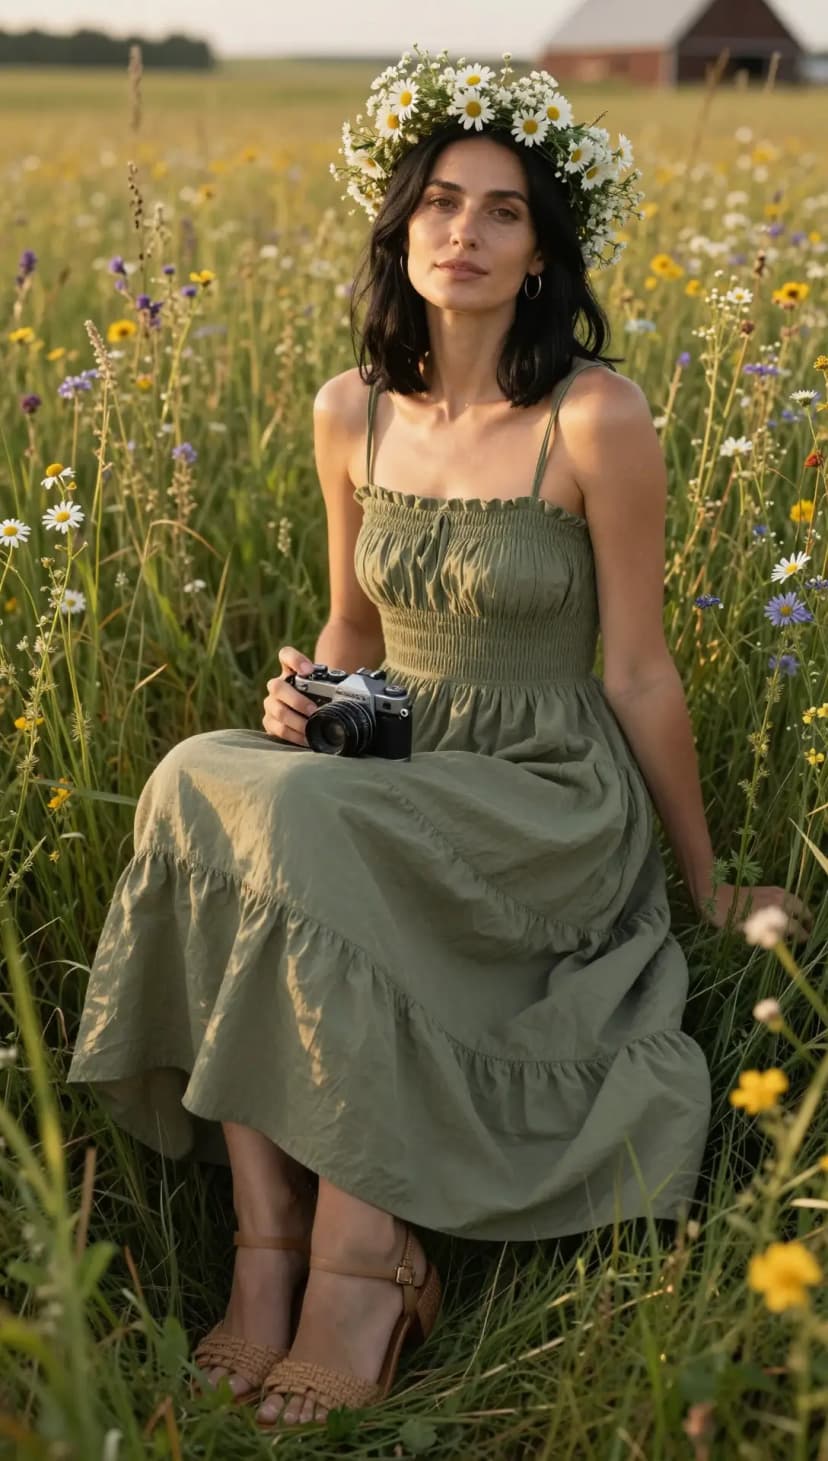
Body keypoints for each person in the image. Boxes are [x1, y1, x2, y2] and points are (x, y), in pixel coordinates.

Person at [66, 48, 814, 1432]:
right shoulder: (349, 410)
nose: (462, 234)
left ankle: (363, 1262)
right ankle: (265, 1229)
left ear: (543, 252)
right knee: (201, 778)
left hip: (543, 790)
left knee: (306, 822)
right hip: (397, 751)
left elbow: (639, 668)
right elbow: (352, 624)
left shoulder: (595, 414)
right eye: (440, 205)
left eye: (502, 211)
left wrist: (699, 878)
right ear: (398, 227)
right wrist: (304, 695)